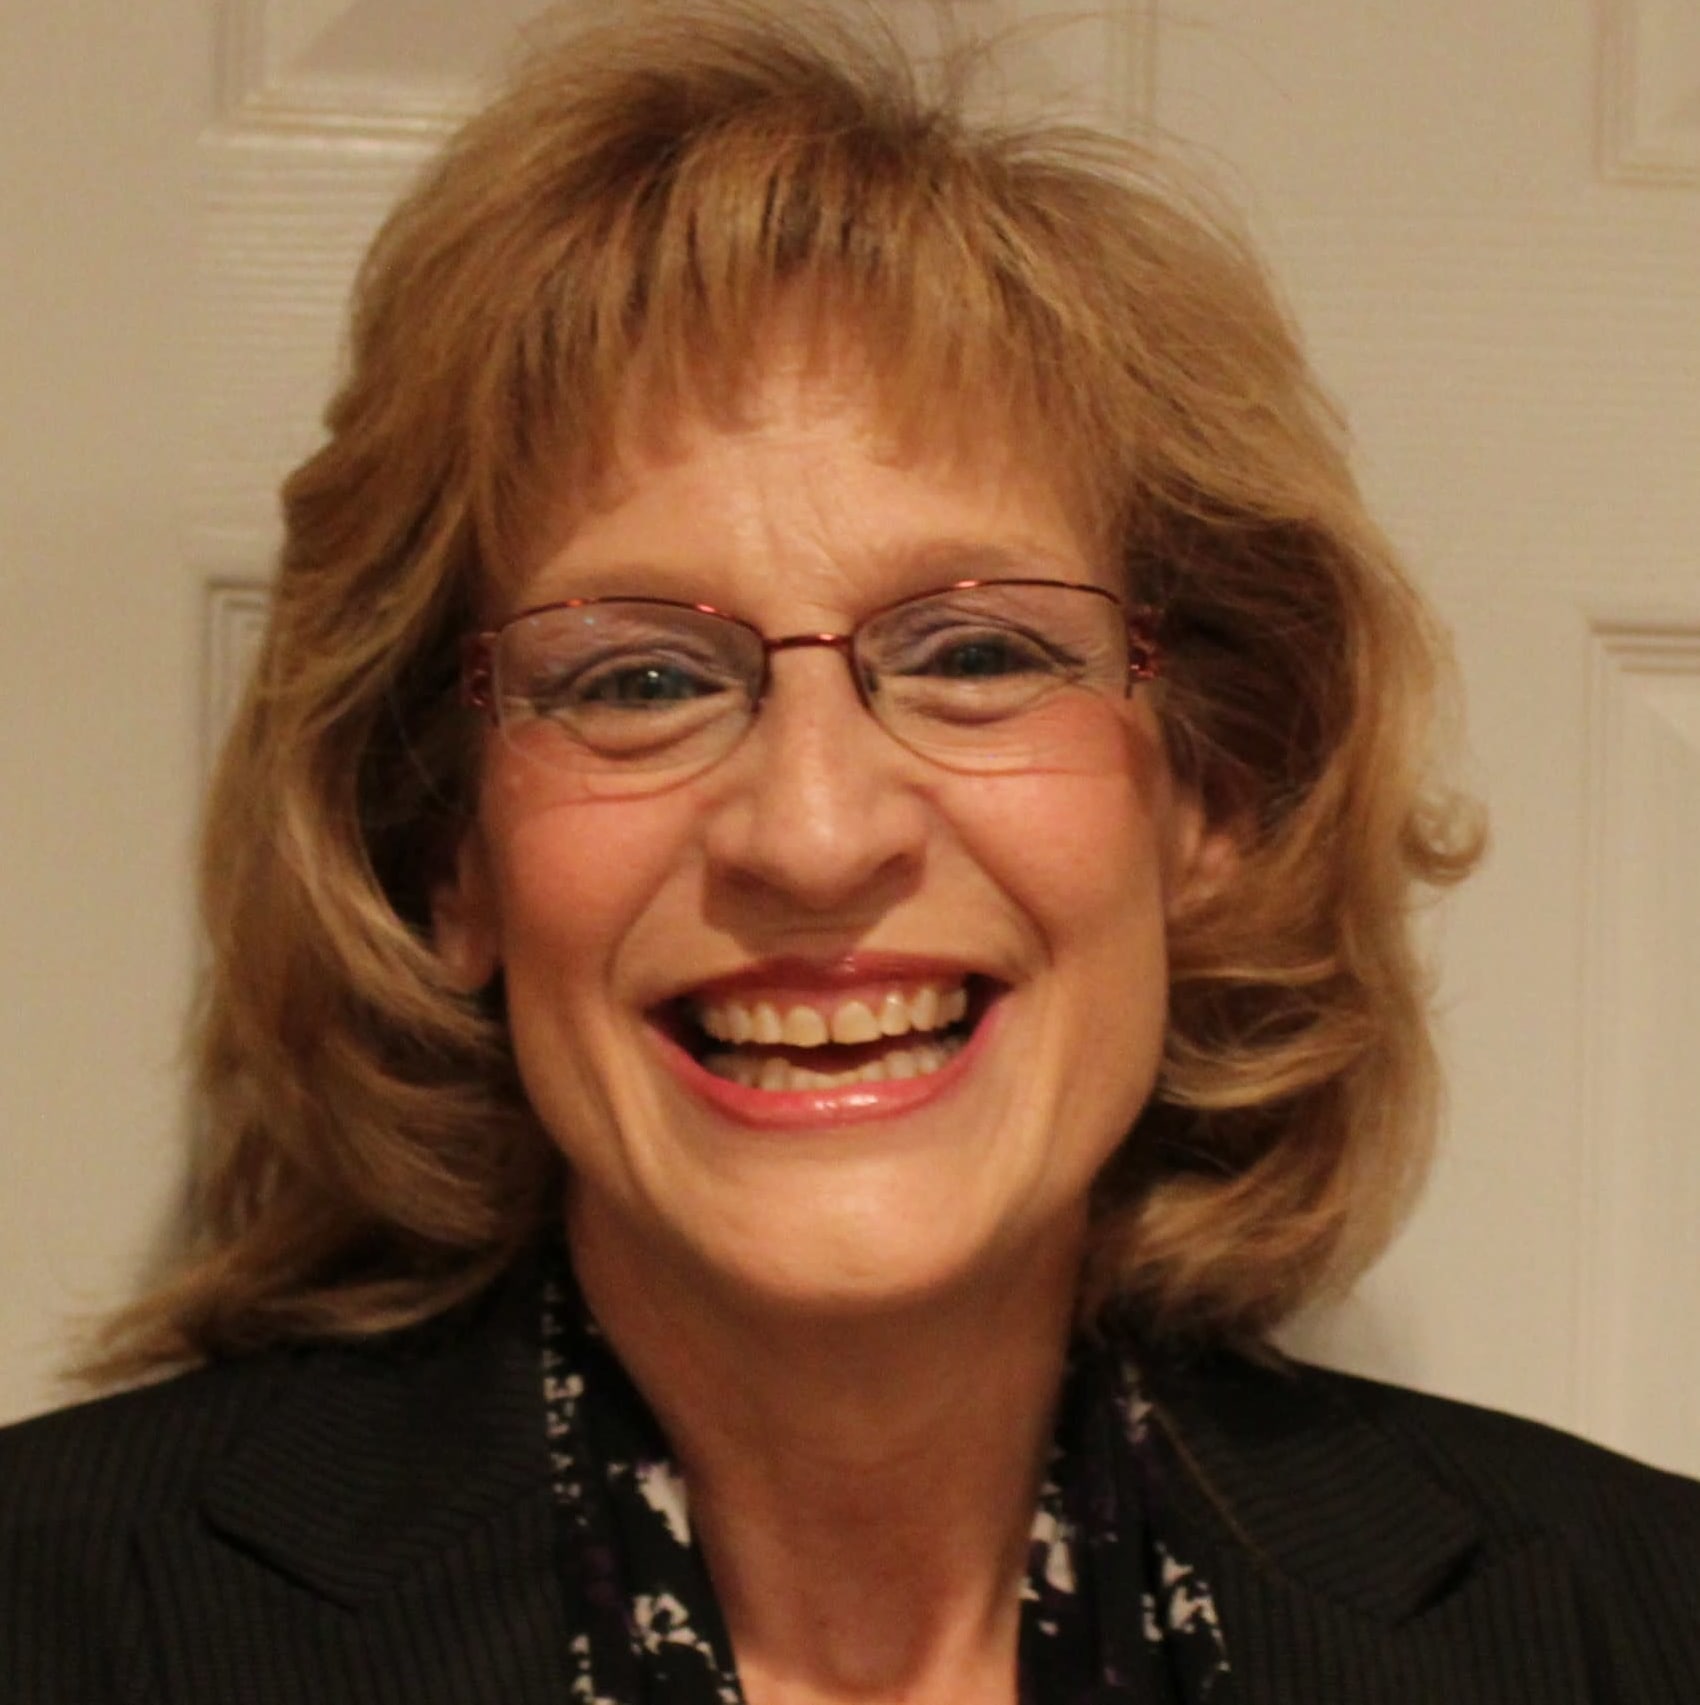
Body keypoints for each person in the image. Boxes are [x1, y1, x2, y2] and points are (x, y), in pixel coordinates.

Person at [3, 3, 1696, 1701]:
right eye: (640, 679)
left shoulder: (1637, 1623)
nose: (814, 835)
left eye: (979, 652)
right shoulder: (58, 1620)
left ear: (1212, 794)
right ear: (450, 851)